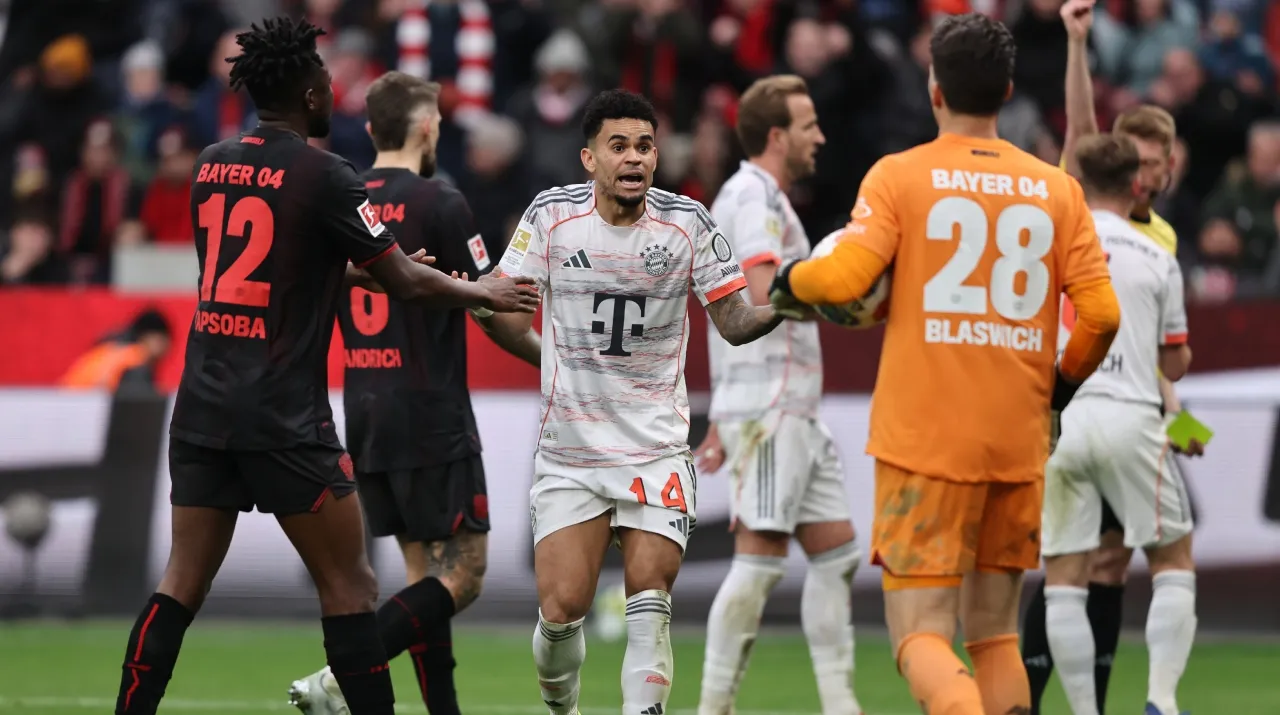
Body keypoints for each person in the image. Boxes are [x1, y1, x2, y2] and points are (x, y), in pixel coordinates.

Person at [112, 18, 539, 715]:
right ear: (309, 94)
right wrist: (480, 289)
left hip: (202, 405)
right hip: (284, 414)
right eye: (324, 82)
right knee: (350, 588)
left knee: (180, 581)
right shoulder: (324, 173)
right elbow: (406, 279)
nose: (330, 90)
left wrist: (355, 274)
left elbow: (263, 268)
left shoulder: (211, 162)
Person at [769, 13, 1122, 715]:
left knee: (920, 635)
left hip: (925, 442)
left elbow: (842, 281)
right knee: (993, 634)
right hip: (1016, 441)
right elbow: (1103, 316)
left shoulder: (902, 177)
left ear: (935, 88)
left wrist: (789, 282)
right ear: (1009, 90)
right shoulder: (1058, 190)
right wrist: (1057, 393)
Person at [484, 88, 784, 714]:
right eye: (618, 146)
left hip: (655, 448)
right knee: (562, 611)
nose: (634, 158)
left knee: (651, 598)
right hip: (571, 453)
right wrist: (500, 319)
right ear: (589, 158)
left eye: (644, 146)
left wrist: (790, 302)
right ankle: (562, 706)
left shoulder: (687, 224)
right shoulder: (550, 217)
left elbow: (732, 321)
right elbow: (506, 309)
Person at [287, 71, 542, 715]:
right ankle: (339, 678)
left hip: (366, 412)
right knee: (463, 575)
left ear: (372, 130)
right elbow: (494, 311)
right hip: (431, 414)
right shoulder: (442, 202)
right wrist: (560, 362)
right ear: (428, 127)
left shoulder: (340, 196)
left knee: (422, 581)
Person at [1019, 3, 1202, 712]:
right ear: (1128, 168)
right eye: (1142, 162)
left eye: (1159, 162)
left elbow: (1165, 369)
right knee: (1109, 561)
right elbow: (1172, 356)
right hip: (1114, 409)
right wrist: (1076, 42)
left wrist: (1184, 427)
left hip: (1079, 414)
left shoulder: (1154, 239)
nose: (1150, 174)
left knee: (1102, 564)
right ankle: (1124, 697)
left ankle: (1090, 700)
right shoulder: (1128, 238)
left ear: (1168, 167)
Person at [693, 75, 863, 715]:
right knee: (759, 559)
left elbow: (727, 301)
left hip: (785, 403)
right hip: (770, 404)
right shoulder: (751, 198)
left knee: (838, 554)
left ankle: (842, 704)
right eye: (809, 124)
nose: (820, 135)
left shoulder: (761, 197)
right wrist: (843, 291)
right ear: (776, 135)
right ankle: (713, 708)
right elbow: (761, 296)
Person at [1042, 133, 1196, 715]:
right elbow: (1174, 362)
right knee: (1173, 561)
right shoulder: (1157, 255)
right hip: (1131, 414)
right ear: (1136, 185)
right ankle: (1160, 699)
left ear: (1076, 186)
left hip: (1060, 418)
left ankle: (1085, 711)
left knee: (1063, 576)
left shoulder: (1049, 250)